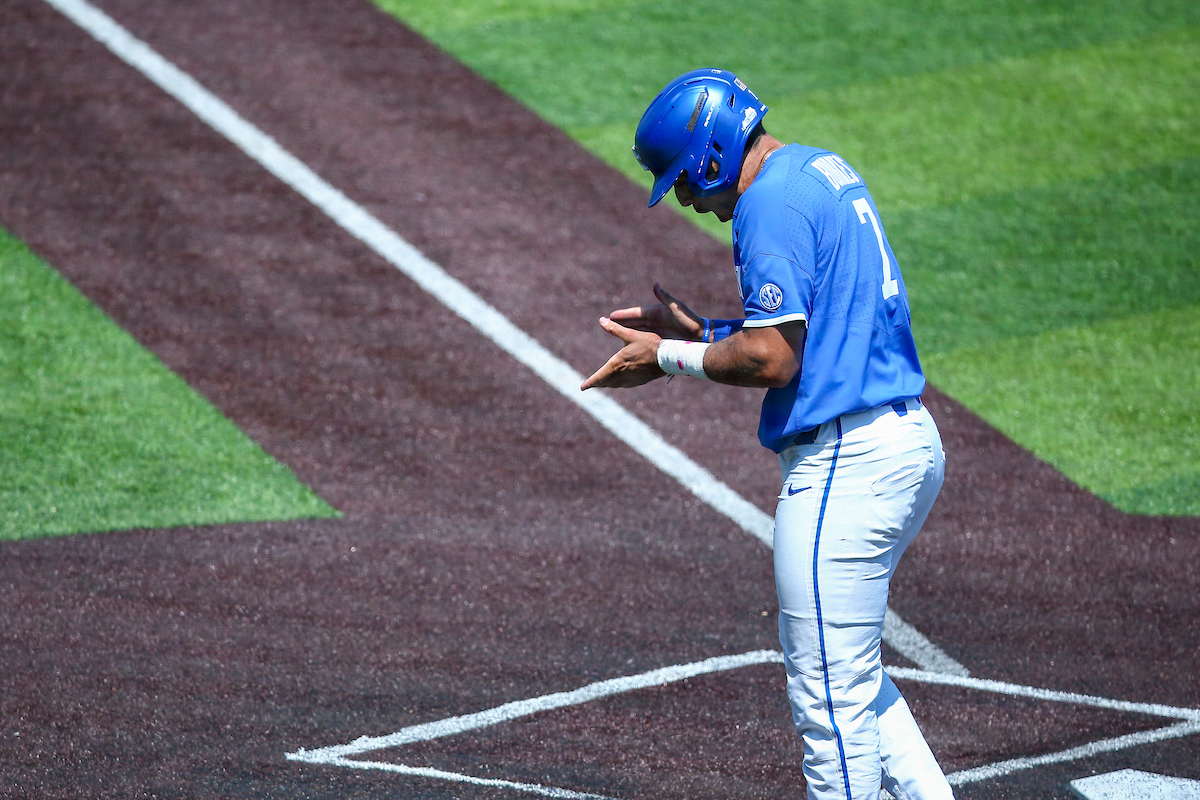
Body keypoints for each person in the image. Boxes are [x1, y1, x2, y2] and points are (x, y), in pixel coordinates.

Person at [581, 68, 955, 800]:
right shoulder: (815, 169)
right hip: (902, 441)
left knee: (827, 699)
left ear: (714, 153)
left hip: (848, 466)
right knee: (853, 677)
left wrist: (667, 358)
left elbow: (774, 358)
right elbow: (817, 328)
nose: (688, 199)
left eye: (686, 180)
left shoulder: (766, 203)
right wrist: (708, 331)